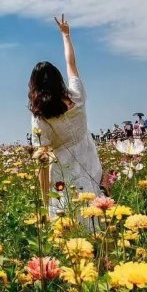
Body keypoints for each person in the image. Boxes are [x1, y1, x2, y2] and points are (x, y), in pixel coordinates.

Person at [29, 15, 109, 230]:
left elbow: (42, 160)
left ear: (34, 86)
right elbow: (71, 63)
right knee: (94, 203)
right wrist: (66, 35)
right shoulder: (76, 96)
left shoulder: (41, 115)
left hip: (63, 167)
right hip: (88, 156)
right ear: (58, 79)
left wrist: (45, 200)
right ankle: (98, 244)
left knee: (67, 214)